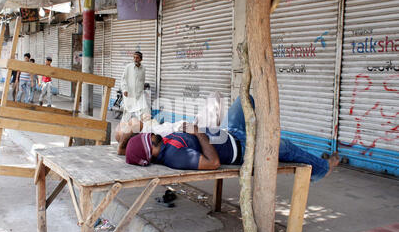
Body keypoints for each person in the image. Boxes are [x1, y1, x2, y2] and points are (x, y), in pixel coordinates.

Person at [124, 96, 340, 182]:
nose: (153, 136)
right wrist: (198, 132)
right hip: (242, 148)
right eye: (149, 140)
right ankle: (322, 168)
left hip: (231, 132)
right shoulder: (174, 157)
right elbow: (214, 163)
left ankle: (263, 134)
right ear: (149, 153)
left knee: (245, 99)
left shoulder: (164, 144)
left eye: (149, 135)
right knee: (287, 148)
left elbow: (126, 148)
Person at [120, 51, 150, 122]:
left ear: (141, 59)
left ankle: (142, 127)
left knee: (143, 109)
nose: (135, 59)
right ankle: (123, 126)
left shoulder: (143, 68)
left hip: (139, 93)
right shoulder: (128, 67)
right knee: (127, 111)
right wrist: (124, 90)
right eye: (134, 57)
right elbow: (123, 79)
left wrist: (143, 88)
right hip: (129, 93)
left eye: (137, 58)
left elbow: (142, 80)